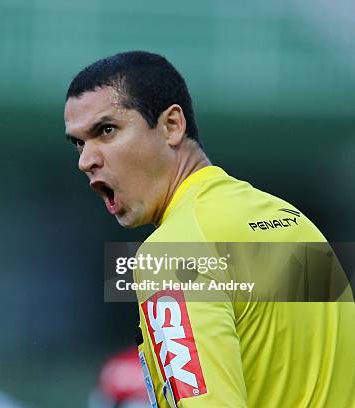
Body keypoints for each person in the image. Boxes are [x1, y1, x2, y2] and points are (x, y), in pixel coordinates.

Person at [64, 51, 354, 407]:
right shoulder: (293, 222)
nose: (84, 160)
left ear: (172, 125)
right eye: (78, 143)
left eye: (106, 131)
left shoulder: (171, 254)